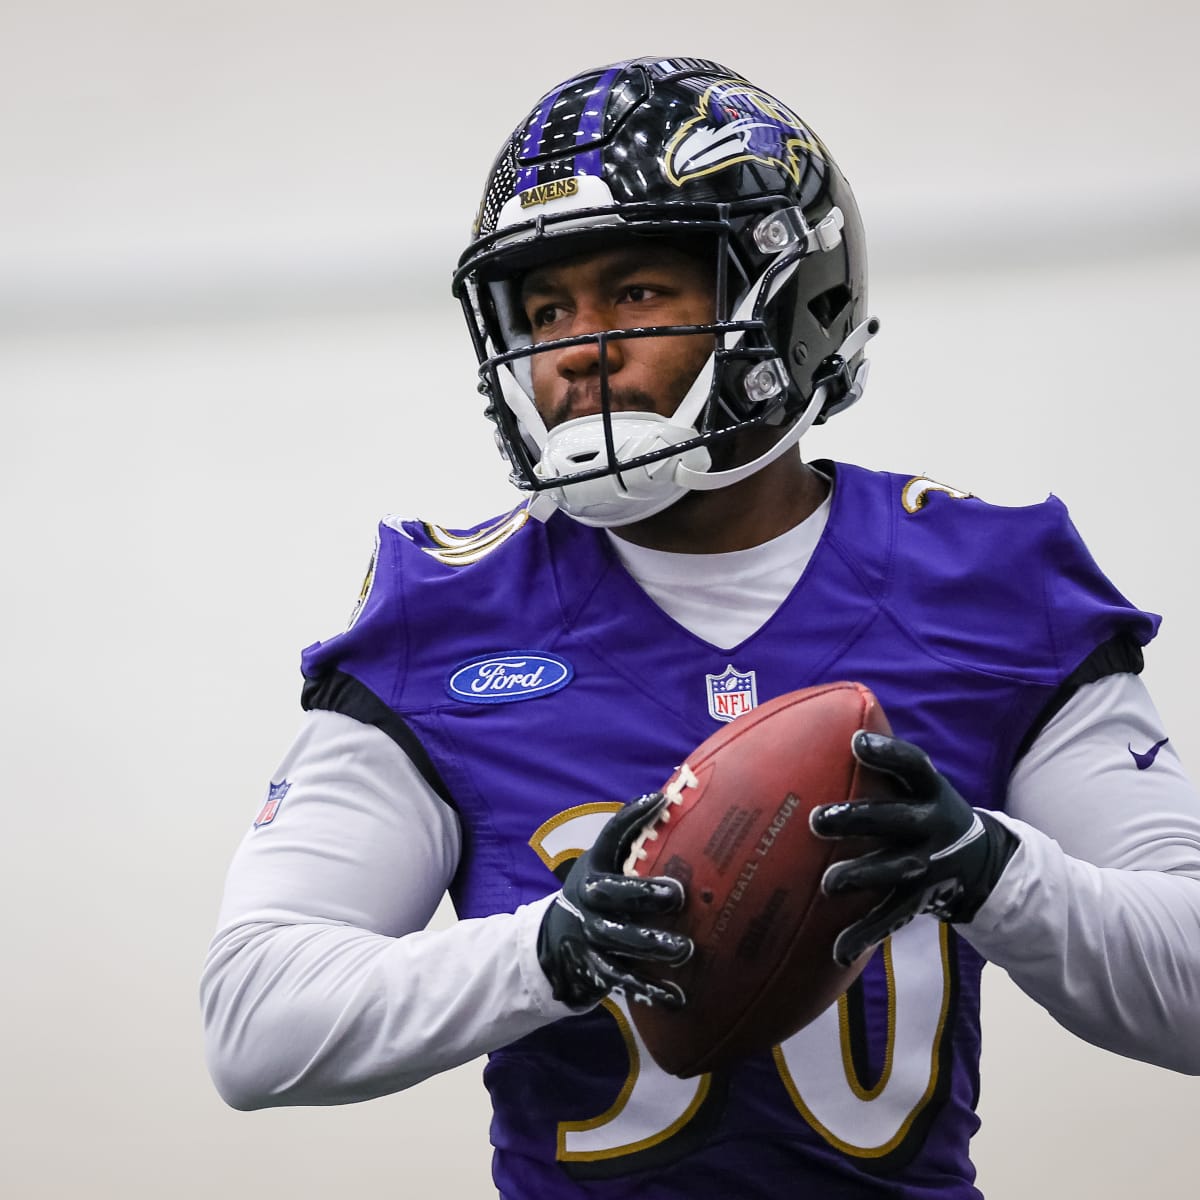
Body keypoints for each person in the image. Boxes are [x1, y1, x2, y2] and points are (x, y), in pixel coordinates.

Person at [202, 55, 1200, 1198]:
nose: (577, 349)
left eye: (635, 293)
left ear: (785, 295)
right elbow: (254, 1021)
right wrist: (548, 950)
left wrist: (991, 873)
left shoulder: (988, 584)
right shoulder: (445, 617)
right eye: (543, 309)